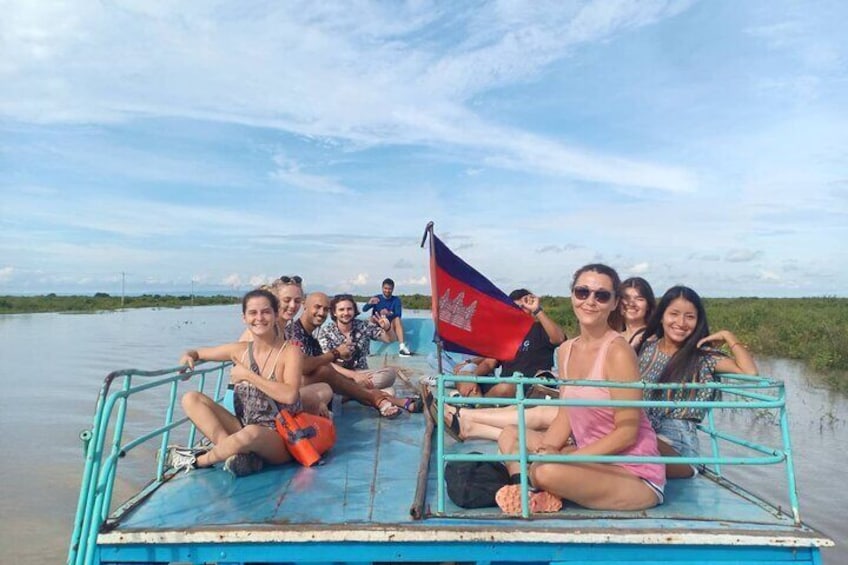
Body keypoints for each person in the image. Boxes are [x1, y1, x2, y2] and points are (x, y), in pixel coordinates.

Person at [495, 264, 665, 514]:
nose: (590, 301)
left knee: (546, 470)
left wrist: (566, 458)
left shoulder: (618, 352)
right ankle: (524, 488)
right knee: (510, 434)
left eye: (602, 295)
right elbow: (566, 413)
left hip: (631, 471)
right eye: (582, 292)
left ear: (615, 303)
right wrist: (549, 447)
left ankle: (537, 482)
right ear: (573, 295)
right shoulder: (565, 350)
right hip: (587, 456)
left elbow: (626, 433)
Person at [165, 288, 332, 478]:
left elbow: (290, 394)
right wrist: (188, 355)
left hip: (280, 436)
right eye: (253, 313)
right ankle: (234, 453)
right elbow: (200, 353)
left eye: (266, 312)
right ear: (244, 318)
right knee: (191, 398)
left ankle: (197, 460)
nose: (259, 318)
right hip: (243, 426)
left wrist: (248, 375)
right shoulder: (240, 350)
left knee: (251, 433)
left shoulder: (290, 352)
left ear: (276, 314)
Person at [637, 285, 758, 478]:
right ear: (661, 316)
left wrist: (728, 336)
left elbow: (750, 373)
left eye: (690, 317)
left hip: (677, 446)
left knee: (633, 442)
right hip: (643, 431)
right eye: (674, 314)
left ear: (698, 321)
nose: (681, 322)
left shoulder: (704, 357)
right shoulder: (648, 345)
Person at [293, 292, 421, 418]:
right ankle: (380, 399)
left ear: (354, 311)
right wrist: (343, 361)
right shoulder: (324, 332)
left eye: (349, 309)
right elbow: (325, 365)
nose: (346, 313)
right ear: (335, 313)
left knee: (389, 374)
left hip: (362, 374)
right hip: (339, 375)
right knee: (389, 391)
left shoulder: (362, 326)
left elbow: (390, 339)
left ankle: (348, 395)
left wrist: (387, 328)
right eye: (341, 309)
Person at [452, 289, 566, 399]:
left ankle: (481, 404)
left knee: (506, 388)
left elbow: (560, 339)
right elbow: (489, 363)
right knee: (463, 377)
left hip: (530, 387)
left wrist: (537, 310)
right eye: (516, 308)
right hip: (503, 385)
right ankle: (480, 404)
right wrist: (473, 378)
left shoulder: (541, 329)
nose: (520, 311)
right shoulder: (506, 334)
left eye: (524, 306)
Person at [363, 278, 411, 356]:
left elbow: (399, 314)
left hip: (390, 327)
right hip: (378, 325)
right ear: (382, 288)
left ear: (393, 289)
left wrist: (388, 313)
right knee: (370, 319)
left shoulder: (396, 300)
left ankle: (402, 348)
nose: (387, 291)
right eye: (385, 288)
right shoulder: (376, 298)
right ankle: (365, 349)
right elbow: (364, 309)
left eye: (390, 289)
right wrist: (369, 303)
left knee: (397, 319)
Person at [615, 277, 656, 348]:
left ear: (648, 305)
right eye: (626, 298)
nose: (631, 304)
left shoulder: (654, 338)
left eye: (639, 299)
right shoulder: (612, 338)